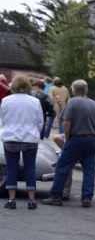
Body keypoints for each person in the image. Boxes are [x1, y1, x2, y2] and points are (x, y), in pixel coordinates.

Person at [42, 79, 95, 207]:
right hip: (91, 141)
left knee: (62, 167)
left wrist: (67, 137)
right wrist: (93, 135)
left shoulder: (72, 102)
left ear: (74, 91)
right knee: (89, 170)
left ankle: (56, 196)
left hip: (75, 139)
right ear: (86, 90)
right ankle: (87, 197)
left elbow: (65, 122)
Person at [0, 75, 43, 210]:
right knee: (30, 168)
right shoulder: (35, 101)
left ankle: (12, 200)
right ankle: (31, 200)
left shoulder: (6, 101)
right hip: (29, 138)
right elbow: (40, 122)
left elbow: (3, 119)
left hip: (10, 137)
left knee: (11, 169)